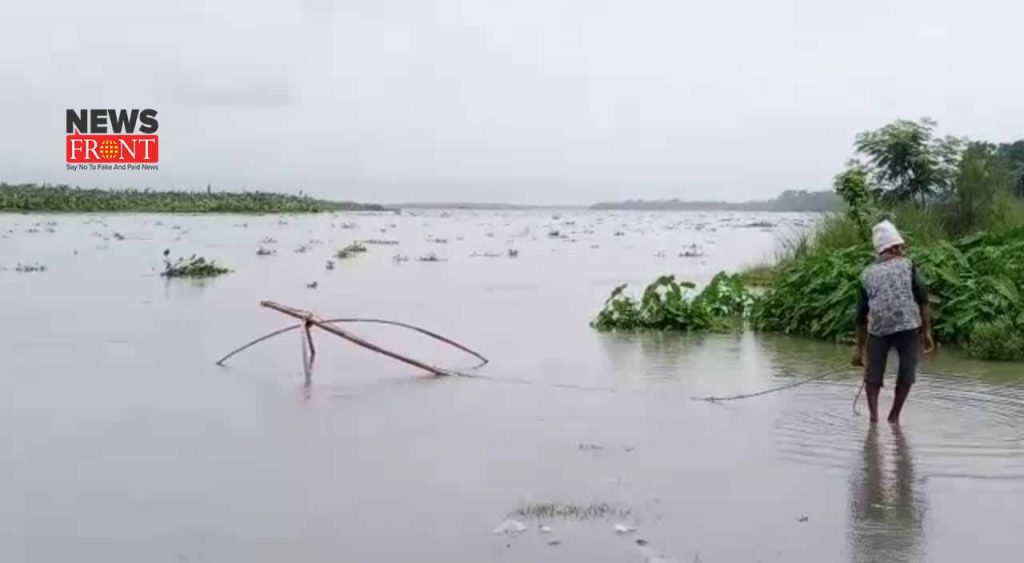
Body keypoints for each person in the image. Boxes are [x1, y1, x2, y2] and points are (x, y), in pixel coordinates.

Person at [852, 220, 935, 424]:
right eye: (901, 247)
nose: (903, 251)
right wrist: (927, 332)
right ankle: (894, 417)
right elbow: (923, 299)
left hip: (878, 330)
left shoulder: (867, 274)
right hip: (908, 327)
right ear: (894, 247)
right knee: (906, 372)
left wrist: (859, 348)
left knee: (873, 375)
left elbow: (861, 315)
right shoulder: (908, 266)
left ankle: (873, 419)